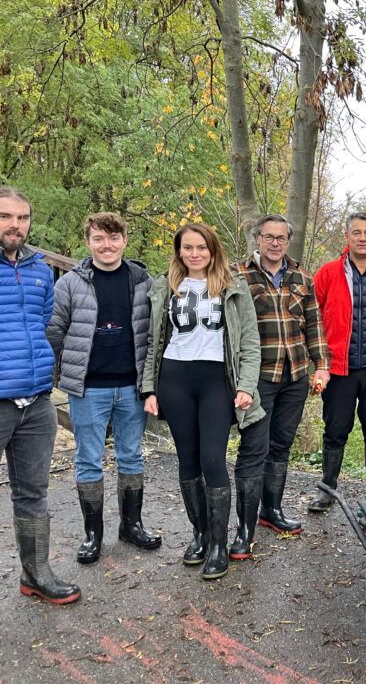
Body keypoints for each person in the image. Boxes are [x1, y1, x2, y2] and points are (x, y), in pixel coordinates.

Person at [141, 223, 264, 580]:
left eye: (201, 248)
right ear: (179, 251)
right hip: (174, 379)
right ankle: (200, 535)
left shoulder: (233, 287)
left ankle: (218, 545)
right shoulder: (165, 286)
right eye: (188, 248)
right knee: (188, 460)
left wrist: (246, 385)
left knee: (213, 460)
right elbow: (153, 342)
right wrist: (149, 389)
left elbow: (250, 343)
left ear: (213, 250)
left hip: (216, 381)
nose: (194, 254)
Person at [47, 212, 162, 567]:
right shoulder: (70, 284)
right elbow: (54, 330)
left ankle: (131, 525)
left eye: (113, 238)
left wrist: (152, 382)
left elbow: (156, 331)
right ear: (88, 242)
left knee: (131, 456)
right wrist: (54, 376)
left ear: (124, 241)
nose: (106, 245)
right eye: (98, 238)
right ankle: (93, 533)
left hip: (131, 386)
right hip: (88, 388)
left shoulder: (142, 281)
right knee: (88, 460)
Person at [229, 215, 330, 560]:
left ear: (288, 240)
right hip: (256, 378)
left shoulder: (302, 277)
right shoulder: (237, 276)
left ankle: (271, 511)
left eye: (281, 238)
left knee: (281, 446)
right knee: (253, 449)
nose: (275, 243)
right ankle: (243, 530)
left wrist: (322, 365)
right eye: (269, 237)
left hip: (295, 375)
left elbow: (314, 325)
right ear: (257, 238)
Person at [0, 187, 81, 604]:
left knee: (32, 492)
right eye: (5, 216)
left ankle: (36, 573)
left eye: (22, 217)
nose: (15, 225)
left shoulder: (38, 269)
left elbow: (44, 323)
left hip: (35, 402)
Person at [309, 212, 366, 509]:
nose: (362, 238)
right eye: (356, 233)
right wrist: (318, 362)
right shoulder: (328, 273)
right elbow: (311, 317)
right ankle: (327, 488)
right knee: (335, 429)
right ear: (347, 237)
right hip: (339, 368)